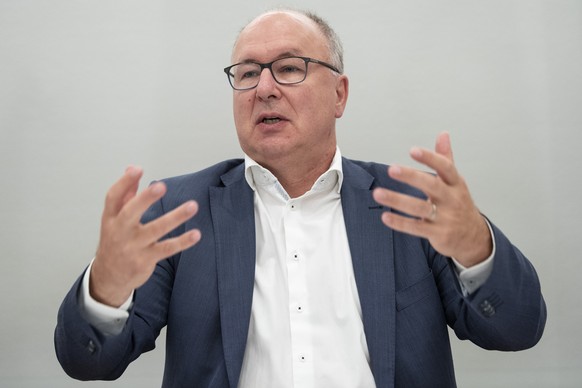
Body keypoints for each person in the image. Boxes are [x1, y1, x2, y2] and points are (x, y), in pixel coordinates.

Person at [54, 9, 546, 388]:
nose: (263, 88)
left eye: (289, 68)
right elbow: (88, 361)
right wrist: (106, 292)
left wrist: (475, 248)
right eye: (247, 73)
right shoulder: (179, 211)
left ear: (340, 95)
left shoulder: (410, 206)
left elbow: (518, 331)